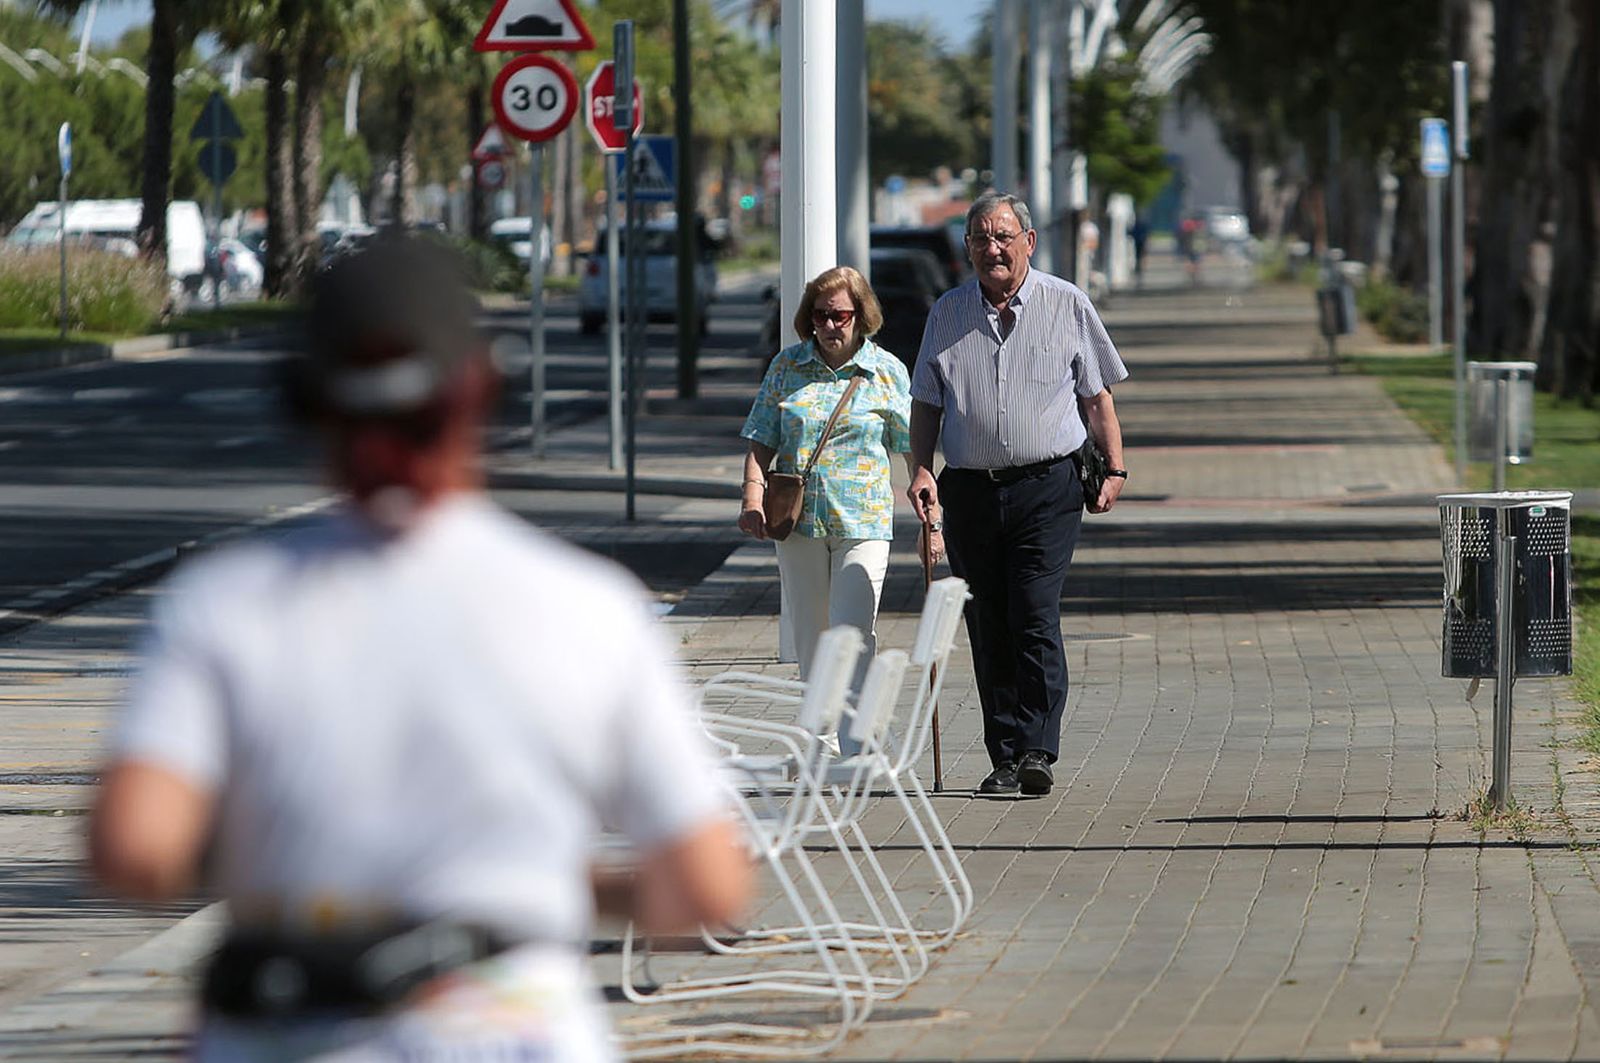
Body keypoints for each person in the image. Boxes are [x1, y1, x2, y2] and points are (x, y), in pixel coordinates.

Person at [89, 238, 751, 1061]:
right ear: (483, 390)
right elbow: (706, 883)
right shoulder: (589, 606)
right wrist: (528, 877)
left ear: (305, 402)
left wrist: (298, 860)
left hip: (286, 1023)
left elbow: (131, 846)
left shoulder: (223, 604)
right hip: (514, 1032)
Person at [907, 191, 1129, 799]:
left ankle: (1037, 747)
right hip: (970, 492)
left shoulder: (1067, 304)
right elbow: (925, 401)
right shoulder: (948, 313)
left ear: (1028, 241)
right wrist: (922, 470)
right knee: (988, 621)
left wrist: (1115, 468)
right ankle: (1002, 755)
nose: (992, 248)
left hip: (1047, 487)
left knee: (1032, 611)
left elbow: (1096, 396)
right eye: (980, 238)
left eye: (1003, 236)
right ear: (968, 248)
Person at [738, 266, 924, 718]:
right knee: (811, 635)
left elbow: (911, 449)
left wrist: (928, 510)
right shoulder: (787, 367)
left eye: (838, 316)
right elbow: (761, 439)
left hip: (863, 522)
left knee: (853, 633)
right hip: (798, 522)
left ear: (861, 316)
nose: (828, 326)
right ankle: (818, 744)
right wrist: (751, 498)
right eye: (820, 315)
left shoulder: (886, 372)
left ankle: (855, 745)